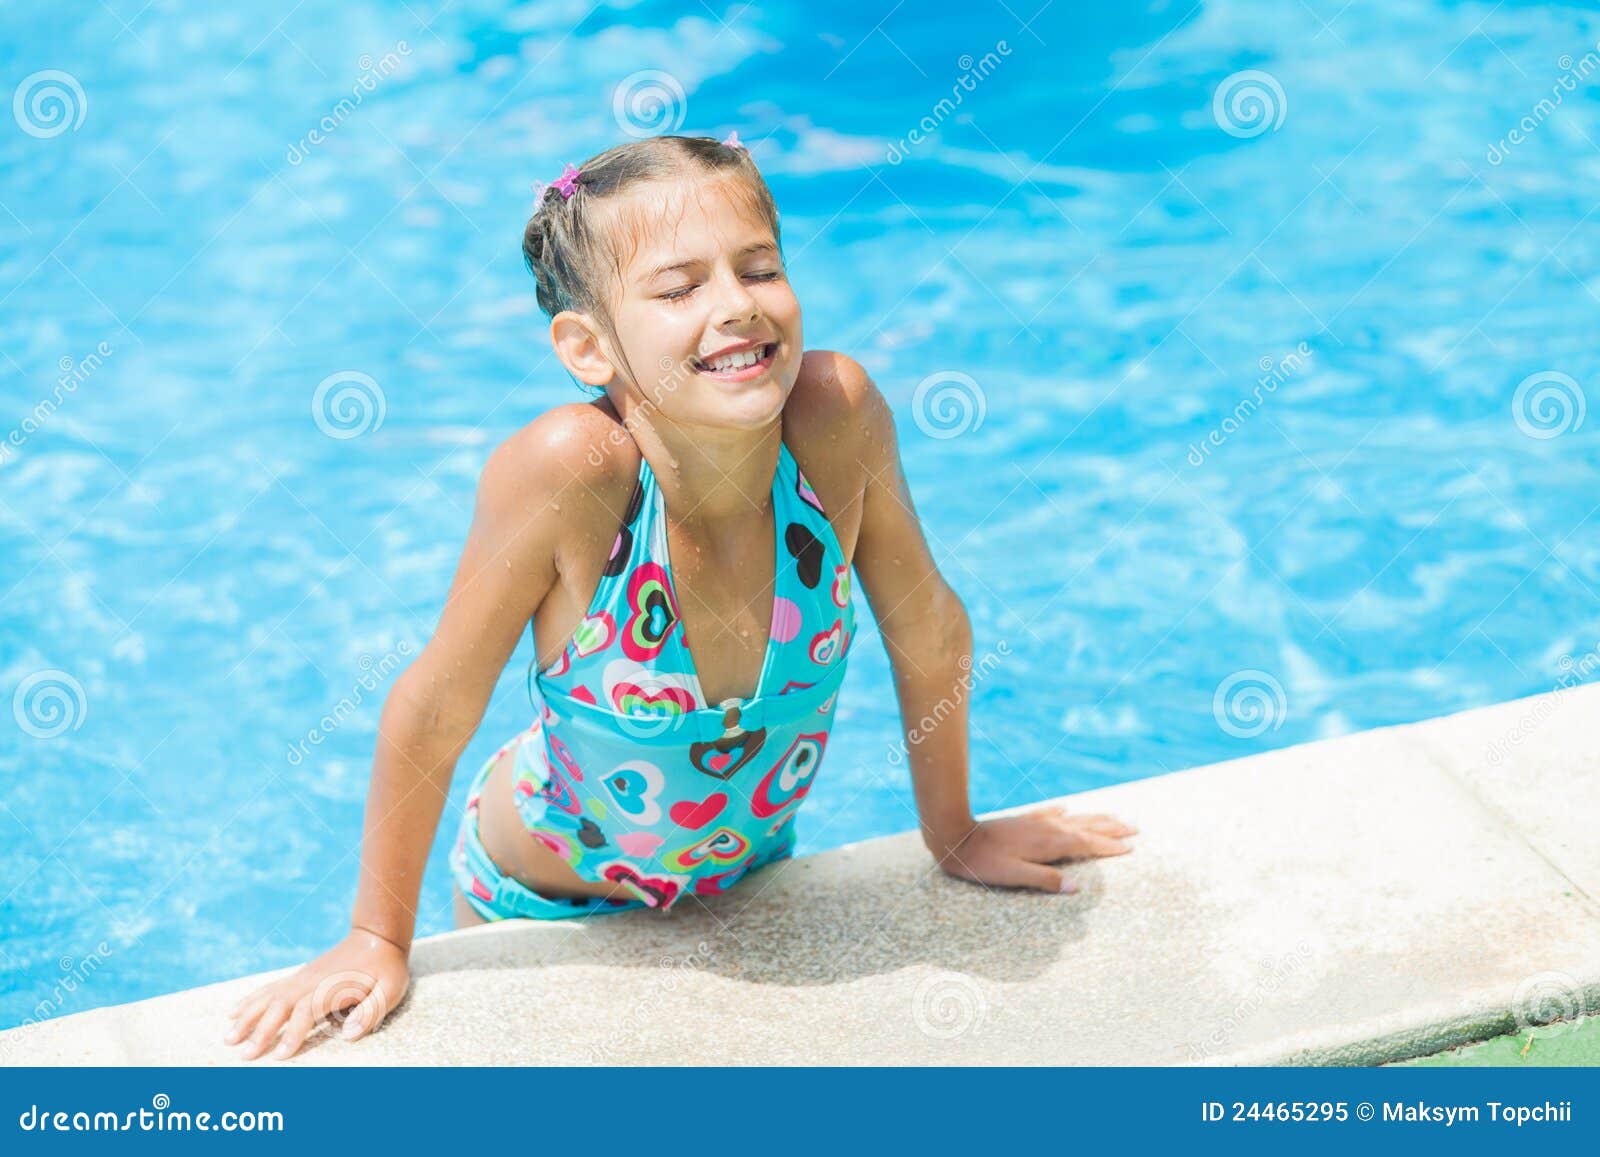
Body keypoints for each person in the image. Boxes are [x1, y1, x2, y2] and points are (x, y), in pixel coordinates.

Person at [224, 132, 1138, 1061]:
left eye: (760, 268)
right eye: (678, 289)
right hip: (543, 896)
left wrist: (954, 831)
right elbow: (435, 709)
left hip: (741, 872)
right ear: (589, 347)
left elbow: (929, 629)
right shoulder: (572, 474)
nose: (737, 305)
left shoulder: (834, 421)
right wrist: (376, 936)